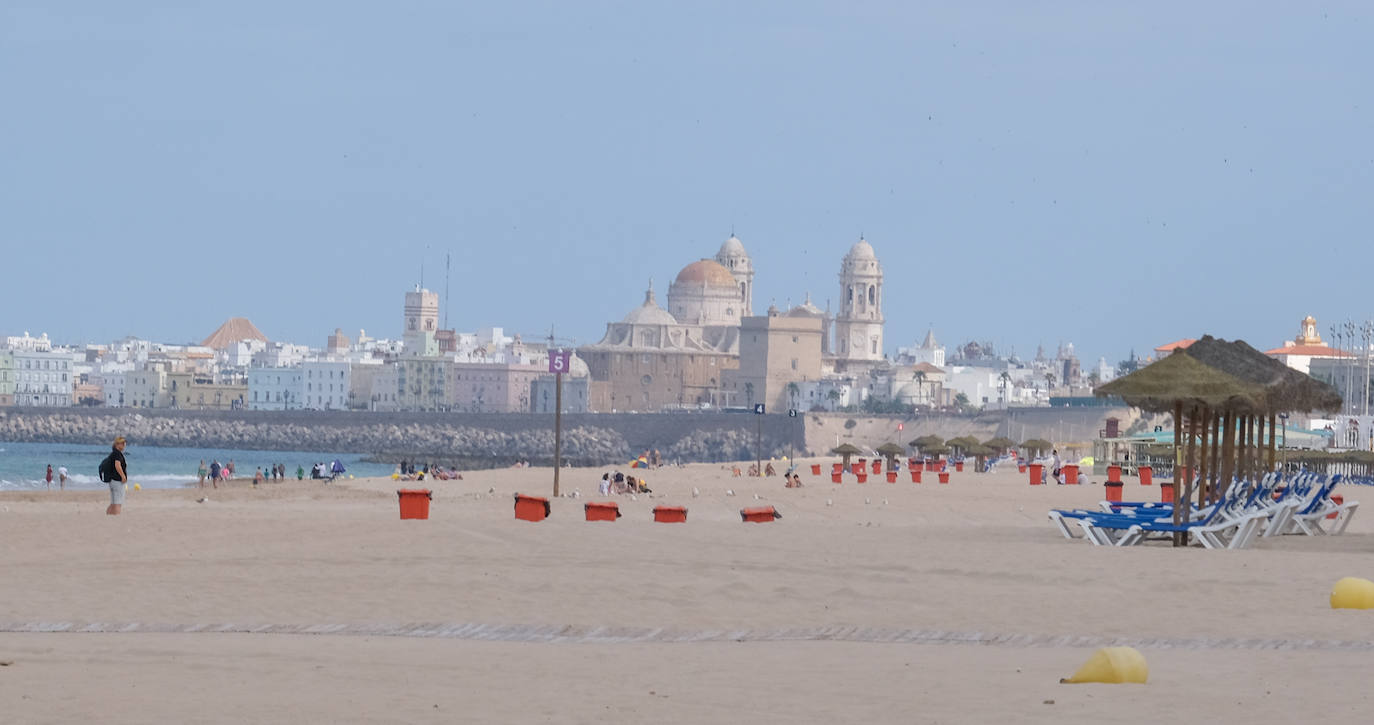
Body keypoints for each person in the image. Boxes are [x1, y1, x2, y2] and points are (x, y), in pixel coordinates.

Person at [101, 436, 129, 516]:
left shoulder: (113, 454)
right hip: (117, 481)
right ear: (117, 444)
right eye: (122, 443)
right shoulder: (117, 454)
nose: (124, 445)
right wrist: (123, 476)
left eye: (124, 443)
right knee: (118, 503)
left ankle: (109, 516)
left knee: (113, 502)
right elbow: (117, 465)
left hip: (112, 481)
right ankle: (116, 517)